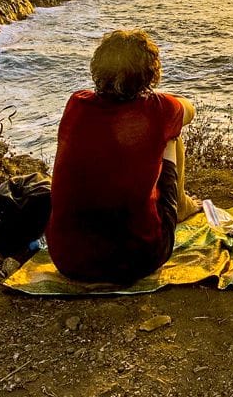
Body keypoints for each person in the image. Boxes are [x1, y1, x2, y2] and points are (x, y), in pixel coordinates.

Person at [45, 29, 200, 283]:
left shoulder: (76, 103)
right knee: (172, 135)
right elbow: (189, 111)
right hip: (137, 259)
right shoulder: (160, 109)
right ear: (150, 74)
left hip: (68, 260)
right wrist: (167, 100)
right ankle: (181, 205)